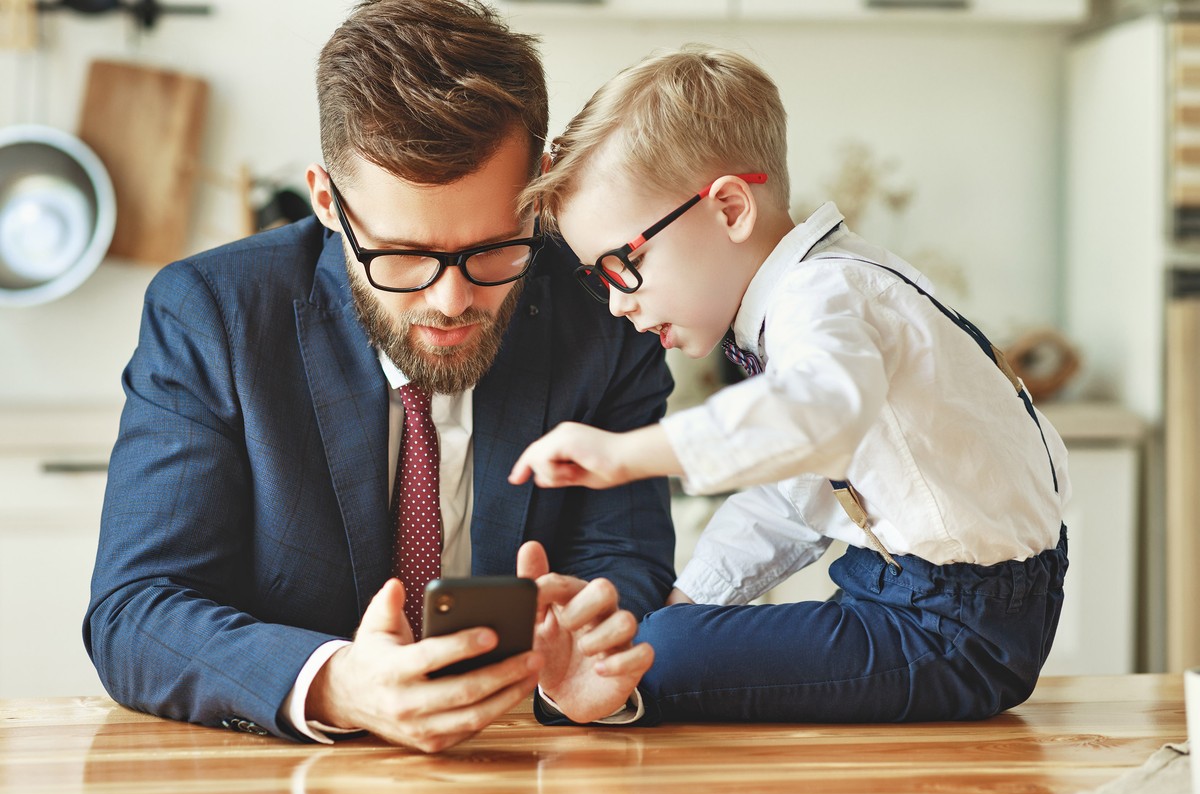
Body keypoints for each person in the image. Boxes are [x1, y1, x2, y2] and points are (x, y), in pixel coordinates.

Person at [84, 0, 676, 753]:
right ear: (328, 201)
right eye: (403, 255)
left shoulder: (607, 313)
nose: (452, 299)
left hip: (522, 761)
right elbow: (137, 610)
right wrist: (336, 684)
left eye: (495, 247)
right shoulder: (213, 314)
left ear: (542, 192)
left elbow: (626, 568)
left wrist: (583, 654)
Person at [510, 45, 1071, 724]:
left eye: (622, 266)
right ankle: (619, 673)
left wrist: (627, 454)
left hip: (956, 623)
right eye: (595, 279)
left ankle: (600, 691)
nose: (616, 304)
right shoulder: (816, 294)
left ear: (730, 209)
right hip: (917, 596)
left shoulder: (824, 294)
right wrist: (685, 603)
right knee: (666, 633)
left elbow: (818, 415)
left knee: (660, 652)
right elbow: (788, 499)